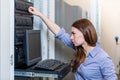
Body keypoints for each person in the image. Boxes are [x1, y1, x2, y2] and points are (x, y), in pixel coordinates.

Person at [28, 6, 118, 80]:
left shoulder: (103, 58)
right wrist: (39, 14)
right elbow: (59, 32)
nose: (71, 37)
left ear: (84, 34)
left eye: (74, 34)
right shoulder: (80, 48)